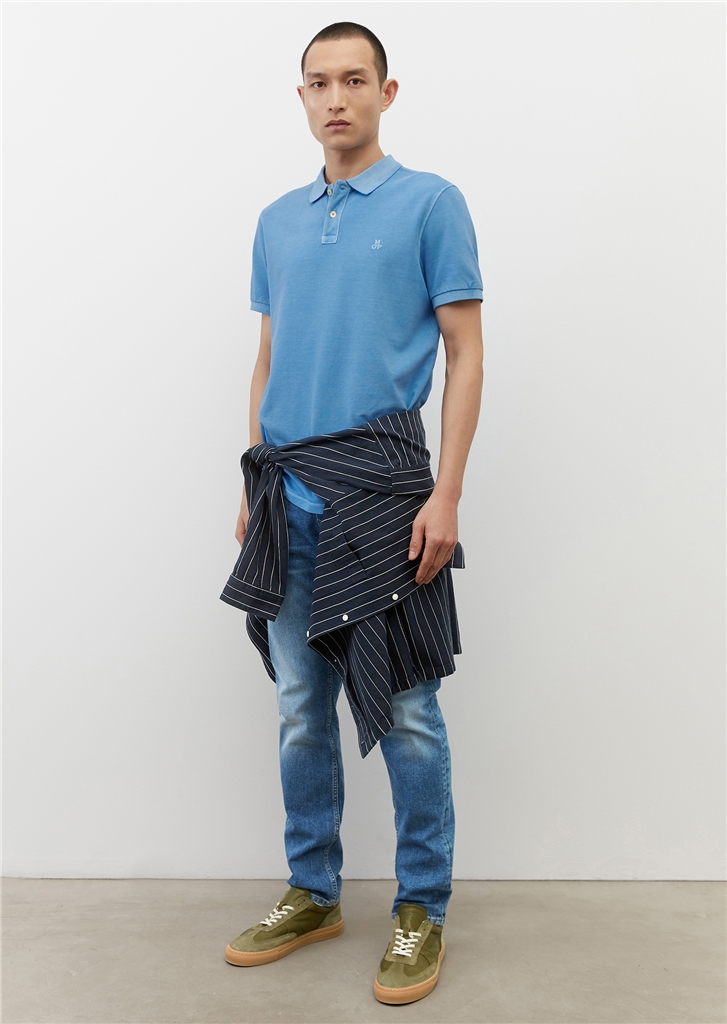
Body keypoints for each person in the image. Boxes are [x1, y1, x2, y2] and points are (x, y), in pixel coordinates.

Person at [219, 21, 483, 1005]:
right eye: (319, 82)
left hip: (385, 494)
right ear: (301, 97)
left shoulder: (430, 204)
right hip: (285, 495)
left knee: (408, 707)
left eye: (355, 80)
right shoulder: (276, 221)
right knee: (300, 707)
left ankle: (421, 907)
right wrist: (251, 482)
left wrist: (447, 491)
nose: (337, 97)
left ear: (386, 92)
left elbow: (466, 355)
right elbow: (268, 358)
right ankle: (313, 891)